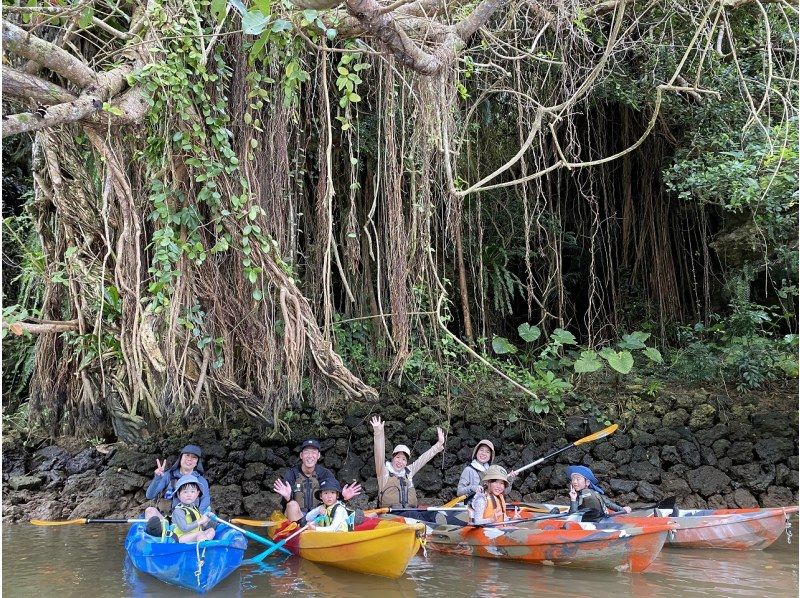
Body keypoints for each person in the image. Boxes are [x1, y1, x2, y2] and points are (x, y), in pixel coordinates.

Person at [273, 439, 361, 525]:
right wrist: (288, 497)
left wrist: (343, 497)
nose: (310, 456)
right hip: (297, 517)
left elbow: (333, 498)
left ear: (318, 455)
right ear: (301, 455)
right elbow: (286, 504)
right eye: (306, 452)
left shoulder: (325, 474)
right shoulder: (292, 474)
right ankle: (299, 532)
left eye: (313, 452)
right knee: (292, 505)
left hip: (319, 515)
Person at [370, 415, 445, 508]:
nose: (400, 461)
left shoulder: (408, 471)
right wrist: (378, 433)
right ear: (392, 458)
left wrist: (439, 444)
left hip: (411, 512)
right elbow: (379, 454)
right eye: (398, 457)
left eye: (404, 459)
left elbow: (423, 459)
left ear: (406, 462)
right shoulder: (383, 471)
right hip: (391, 515)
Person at [144, 444, 210, 525]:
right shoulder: (168, 475)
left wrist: (198, 515)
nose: (189, 459)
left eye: (194, 457)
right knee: (150, 511)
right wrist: (157, 478)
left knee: (207, 516)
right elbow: (149, 495)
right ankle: (161, 535)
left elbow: (205, 499)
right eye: (187, 455)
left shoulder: (200, 480)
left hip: (191, 519)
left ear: (197, 463)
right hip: (167, 520)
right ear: (181, 458)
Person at [567, 465, 632, 516]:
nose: (574, 482)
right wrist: (573, 499)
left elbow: (573, 516)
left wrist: (622, 509)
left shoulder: (589, 493)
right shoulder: (577, 495)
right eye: (573, 479)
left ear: (587, 482)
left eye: (578, 479)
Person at [169, 475, 216, 543]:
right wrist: (201, 521)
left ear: (197, 493)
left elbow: (201, 524)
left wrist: (207, 520)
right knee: (200, 534)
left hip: (194, 535)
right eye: (185, 492)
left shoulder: (194, 508)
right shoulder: (178, 511)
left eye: (192, 491)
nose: (189, 495)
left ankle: (205, 541)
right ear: (178, 495)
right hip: (181, 538)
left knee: (211, 530)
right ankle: (203, 546)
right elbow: (184, 528)